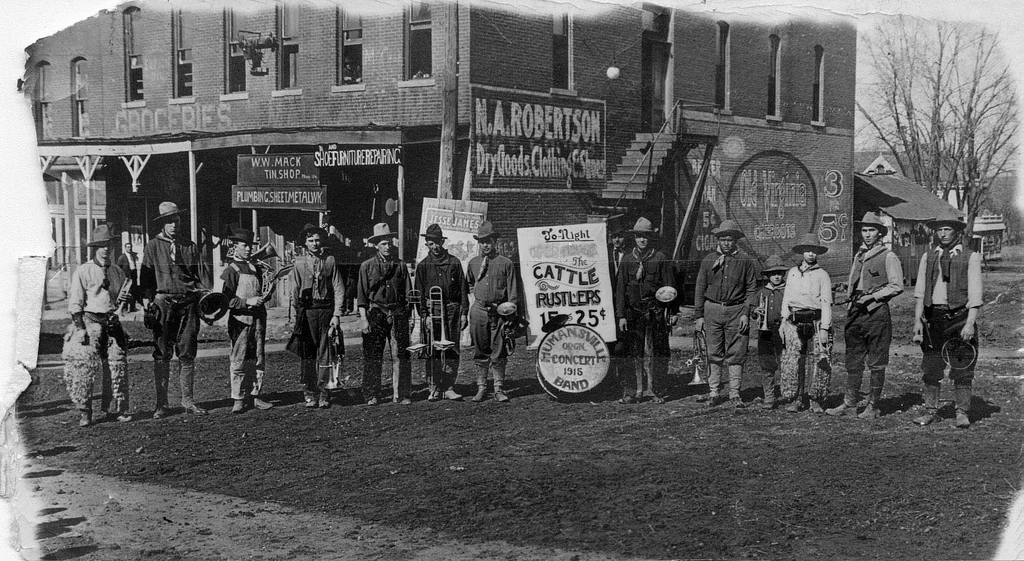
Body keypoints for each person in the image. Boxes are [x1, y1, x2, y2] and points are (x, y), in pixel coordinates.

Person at [826, 212, 903, 420]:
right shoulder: (859, 255)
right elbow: (855, 282)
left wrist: (873, 297)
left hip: (876, 314)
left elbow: (897, 286)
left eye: (871, 230)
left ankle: (873, 406)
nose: (867, 234)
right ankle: (849, 403)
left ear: (880, 233)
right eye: (864, 230)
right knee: (853, 360)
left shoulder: (888, 256)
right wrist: (847, 290)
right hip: (855, 312)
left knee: (877, 362)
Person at [911, 211, 983, 428]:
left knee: (962, 367)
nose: (943, 234)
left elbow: (976, 293)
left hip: (960, 318)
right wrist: (917, 322)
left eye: (947, 229)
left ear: (957, 231)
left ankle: (962, 412)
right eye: (939, 229)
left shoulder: (970, 256)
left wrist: (970, 322)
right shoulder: (928, 256)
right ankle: (931, 410)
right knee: (931, 367)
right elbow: (920, 291)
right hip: (934, 319)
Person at [140, 201, 207, 418]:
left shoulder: (190, 246)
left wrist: (203, 297)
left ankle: (188, 401)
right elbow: (146, 281)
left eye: (176, 221)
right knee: (162, 353)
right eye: (169, 222)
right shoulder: (152, 247)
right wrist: (146, 305)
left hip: (188, 303)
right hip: (163, 303)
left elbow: (201, 279)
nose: (174, 225)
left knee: (187, 353)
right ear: (162, 224)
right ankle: (162, 405)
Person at [63, 225, 131, 426]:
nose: (104, 249)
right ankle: (85, 411)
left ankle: (116, 408)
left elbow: (118, 300)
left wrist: (124, 299)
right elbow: (75, 301)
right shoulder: (84, 271)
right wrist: (80, 327)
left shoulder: (117, 271)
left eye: (107, 245)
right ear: (95, 248)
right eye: (100, 246)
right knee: (84, 369)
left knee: (117, 366)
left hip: (111, 322)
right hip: (90, 322)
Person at [693, 220, 760, 408]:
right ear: (718, 240)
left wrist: (746, 312)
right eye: (723, 239)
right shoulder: (708, 260)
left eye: (730, 239)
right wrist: (699, 316)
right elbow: (700, 288)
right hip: (712, 309)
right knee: (713, 351)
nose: (726, 243)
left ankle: (735, 393)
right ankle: (713, 391)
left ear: (735, 240)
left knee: (736, 352)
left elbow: (751, 288)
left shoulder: (745, 260)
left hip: (736, 310)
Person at [614, 217, 678, 404]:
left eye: (646, 237)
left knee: (658, 350)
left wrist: (672, 312)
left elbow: (670, 287)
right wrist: (621, 315)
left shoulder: (660, 258)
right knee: (633, 351)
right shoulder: (627, 260)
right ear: (634, 238)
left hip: (655, 311)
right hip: (633, 312)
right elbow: (620, 291)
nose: (642, 240)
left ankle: (657, 389)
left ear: (651, 238)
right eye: (639, 236)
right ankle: (633, 391)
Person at [288, 223, 345, 408]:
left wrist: (337, 314)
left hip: (326, 311)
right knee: (308, 353)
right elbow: (293, 291)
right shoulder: (299, 262)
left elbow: (338, 288)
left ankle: (324, 393)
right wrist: (295, 316)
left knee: (326, 352)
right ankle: (309, 392)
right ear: (305, 242)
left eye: (317, 240)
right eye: (311, 240)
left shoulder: (330, 260)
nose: (314, 243)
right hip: (307, 312)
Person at [357, 223, 412, 405]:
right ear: (376, 245)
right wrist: (364, 319)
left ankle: (402, 393)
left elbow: (408, 295)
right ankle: (371, 394)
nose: (388, 247)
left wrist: (408, 317)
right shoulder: (367, 267)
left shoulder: (400, 265)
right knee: (373, 355)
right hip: (376, 313)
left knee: (401, 355)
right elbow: (362, 297)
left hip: (397, 312)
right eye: (383, 244)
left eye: (389, 243)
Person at [221, 228, 274, 413]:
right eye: (245, 246)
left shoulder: (255, 268)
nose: (249, 249)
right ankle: (238, 397)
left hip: (258, 319)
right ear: (235, 247)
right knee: (239, 359)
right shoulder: (230, 270)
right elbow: (225, 301)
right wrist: (247, 301)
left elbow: (262, 291)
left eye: (250, 246)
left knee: (258, 358)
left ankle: (256, 395)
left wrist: (266, 294)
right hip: (240, 321)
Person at [466, 221, 520, 402]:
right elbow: (470, 283)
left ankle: (499, 388)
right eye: (482, 241)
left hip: (500, 312)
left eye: (488, 241)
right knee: (480, 350)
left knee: (499, 350)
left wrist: (510, 313)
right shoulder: (474, 263)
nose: (485, 245)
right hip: (479, 311)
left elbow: (512, 291)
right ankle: (481, 387)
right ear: (478, 243)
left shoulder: (506, 263)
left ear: (495, 241)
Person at [414, 224, 469, 401]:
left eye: (437, 243)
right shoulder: (423, 266)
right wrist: (425, 316)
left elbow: (462, 289)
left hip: (452, 310)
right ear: (426, 244)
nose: (434, 247)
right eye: (430, 243)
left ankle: (449, 386)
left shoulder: (454, 262)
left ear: (442, 242)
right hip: (433, 311)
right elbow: (419, 294)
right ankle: (435, 386)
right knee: (433, 349)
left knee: (452, 348)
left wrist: (463, 313)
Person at [779, 234, 833, 413]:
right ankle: (797, 398)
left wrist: (825, 327)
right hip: (795, 323)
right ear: (802, 252)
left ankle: (815, 398)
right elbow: (786, 298)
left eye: (814, 251)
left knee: (817, 360)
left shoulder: (822, 275)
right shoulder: (792, 273)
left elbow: (826, 302)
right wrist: (784, 322)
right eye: (807, 251)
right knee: (795, 361)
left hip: (815, 322)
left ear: (818, 253)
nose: (810, 254)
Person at [752, 254, 788, 409]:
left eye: (779, 273)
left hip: (783, 331)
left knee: (785, 363)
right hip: (765, 332)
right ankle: (769, 396)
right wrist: (756, 311)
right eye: (773, 274)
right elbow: (752, 309)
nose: (777, 276)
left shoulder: (788, 290)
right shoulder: (761, 292)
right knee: (766, 364)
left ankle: (788, 394)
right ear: (767, 275)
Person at [607, 219, 631, 399]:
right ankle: (609, 381)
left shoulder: (631, 254)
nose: (617, 240)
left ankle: (625, 381)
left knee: (623, 344)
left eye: (620, 237)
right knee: (608, 342)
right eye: (614, 237)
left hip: (625, 304)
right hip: (607, 304)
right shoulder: (604, 253)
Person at [116, 242, 140, 312]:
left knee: (134, 292)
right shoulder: (122, 258)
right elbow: (119, 269)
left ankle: (132, 307)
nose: (129, 248)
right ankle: (124, 308)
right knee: (126, 292)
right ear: (125, 248)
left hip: (133, 276)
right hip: (127, 277)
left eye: (130, 247)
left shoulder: (132, 256)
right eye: (128, 247)